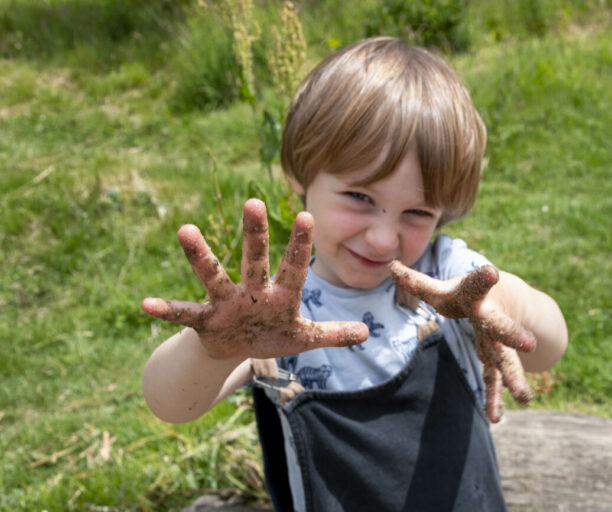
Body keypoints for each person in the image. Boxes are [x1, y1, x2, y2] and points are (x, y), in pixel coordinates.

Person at [142, 37, 567, 512]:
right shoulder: (274, 314)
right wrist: (213, 348)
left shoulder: (448, 280)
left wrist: (505, 302)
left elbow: (551, 347)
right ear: (300, 176)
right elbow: (170, 404)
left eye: (418, 211)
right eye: (360, 198)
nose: (385, 238)